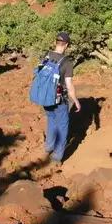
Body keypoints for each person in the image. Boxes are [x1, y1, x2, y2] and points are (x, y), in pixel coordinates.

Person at [40, 32, 81, 163]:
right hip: (59, 98)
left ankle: (48, 147)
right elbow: (69, 85)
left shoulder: (46, 55)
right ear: (67, 45)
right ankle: (57, 158)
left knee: (51, 120)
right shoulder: (67, 62)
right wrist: (76, 101)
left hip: (46, 96)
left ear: (55, 42)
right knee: (62, 127)